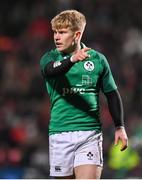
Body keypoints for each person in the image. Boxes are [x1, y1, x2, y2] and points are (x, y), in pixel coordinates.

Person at [40, 9, 128, 179]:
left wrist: (120, 126)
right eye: (55, 32)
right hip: (60, 133)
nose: (56, 37)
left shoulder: (97, 59)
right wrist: (72, 59)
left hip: (90, 133)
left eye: (63, 32)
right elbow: (50, 71)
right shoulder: (49, 57)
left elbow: (111, 93)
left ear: (77, 34)